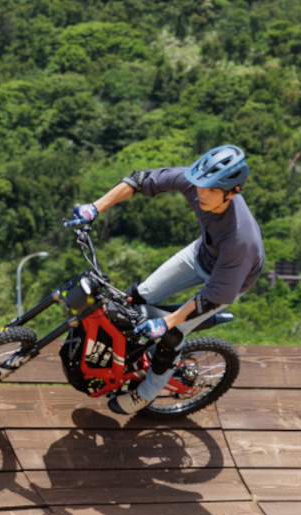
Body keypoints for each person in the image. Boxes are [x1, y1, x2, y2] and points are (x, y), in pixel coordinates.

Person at [70, 145, 264, 415]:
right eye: (200, 186)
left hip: (228, 279)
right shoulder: (197, 182)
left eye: (211, 190)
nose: (201, 194)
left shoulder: (241, 241)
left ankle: (145, 395)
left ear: (232, 193)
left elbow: (214, 296)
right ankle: (131, 359)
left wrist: (167, 322)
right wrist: (95, 207)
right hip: (201, 253)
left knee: (172, 333)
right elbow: (141, 180)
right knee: (134, 299)